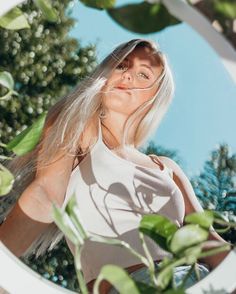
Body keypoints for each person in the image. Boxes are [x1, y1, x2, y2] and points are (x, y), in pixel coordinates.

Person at [0, 39, 229, 294]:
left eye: (144, 74)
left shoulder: (167, 168)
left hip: (197, 280)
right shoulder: (80, 126)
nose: (129, 75)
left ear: (155, 96)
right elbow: (46, 194)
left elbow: (208, 242)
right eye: (122, 65)